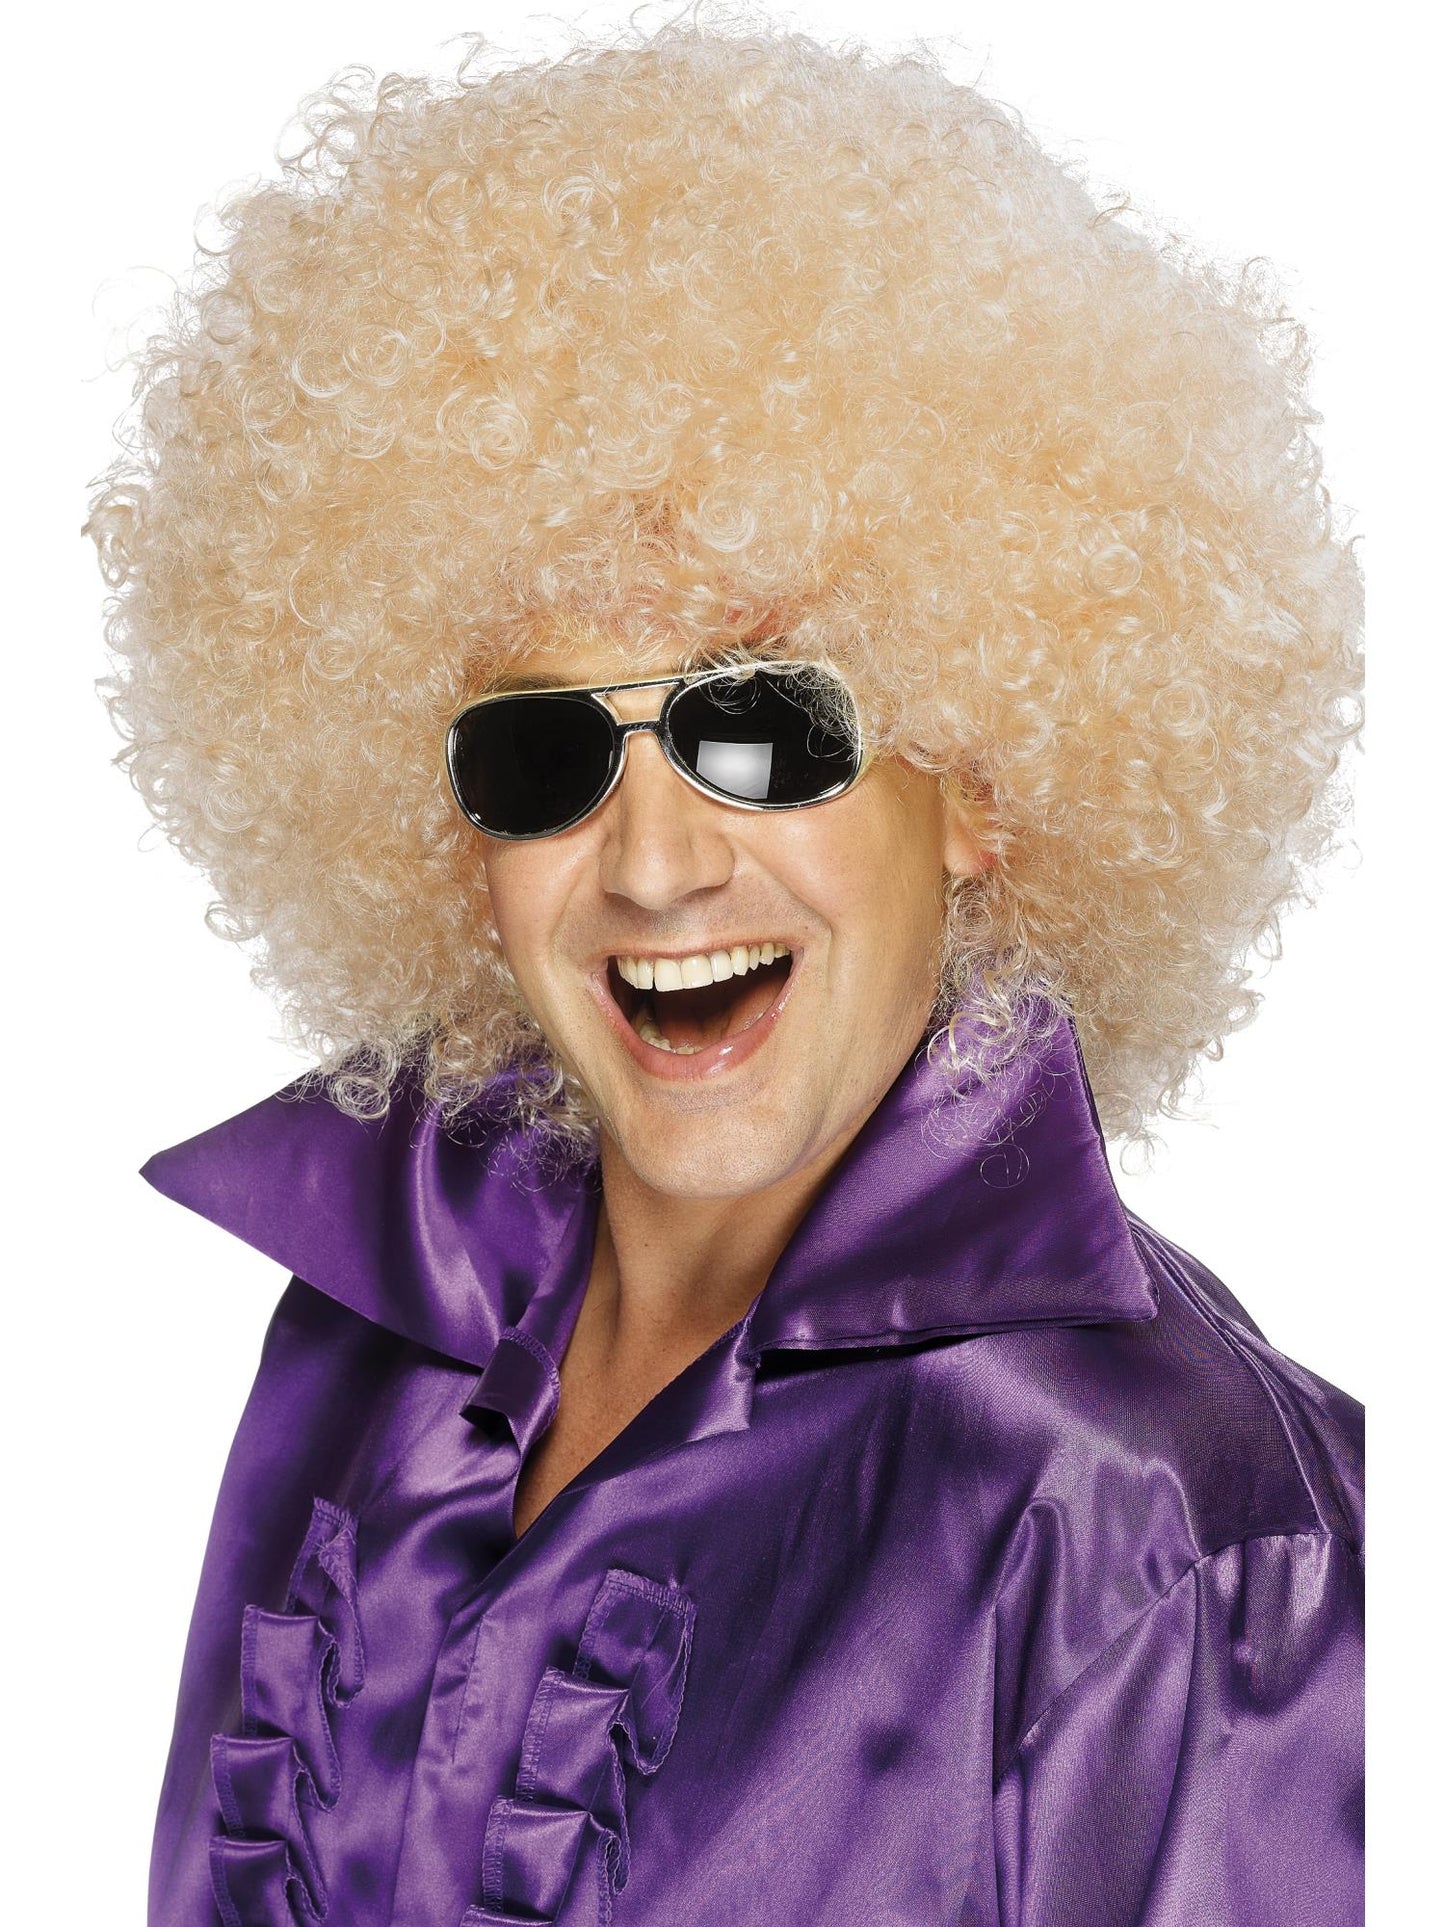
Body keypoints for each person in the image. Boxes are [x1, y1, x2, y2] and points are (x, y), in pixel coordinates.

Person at [86, 16, 1365, 1926]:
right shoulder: (365, 1339)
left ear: (977, 786)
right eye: (543, 754)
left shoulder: (1169, 1517)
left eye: (762, 728)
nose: (656, 862)